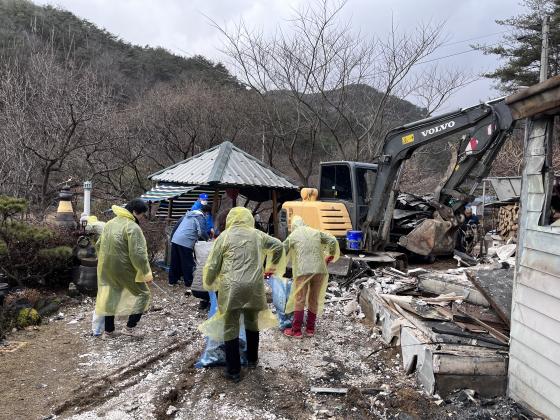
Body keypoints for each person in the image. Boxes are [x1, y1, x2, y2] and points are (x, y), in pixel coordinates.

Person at [199, 207, 286, 382]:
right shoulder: (257, 235)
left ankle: (233, 371)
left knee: (230, 326)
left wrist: (209, 281)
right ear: (249, 218)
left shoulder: (223, 237)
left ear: (230, 219)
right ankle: (252, 360)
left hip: (231, 288)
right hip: (254, 287)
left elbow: (213, 265)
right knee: (252, 323)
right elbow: (278, 246)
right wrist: (271, 267)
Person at [95, 199, 153, 339]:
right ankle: (130, 328)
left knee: (111, 296)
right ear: (134, 212)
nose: (142, 218)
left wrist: (105, 260)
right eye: (141, 214)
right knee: (143, 294)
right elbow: (138, 254)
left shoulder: (110, 223)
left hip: (106, 268)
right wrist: (146, 273)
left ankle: (108, 332)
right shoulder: (132, 227)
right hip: (124, 269)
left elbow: (98, 244)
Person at [282, 216, 340, 338]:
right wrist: (330, 256)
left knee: (300, 299)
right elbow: (333, 240)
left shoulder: (293, 235)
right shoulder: (315, 232)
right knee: (314, 299)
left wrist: (274, 268)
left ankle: (296, 331)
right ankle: (310, 330)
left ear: (293, 226)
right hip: (319, 270)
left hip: (303, 271)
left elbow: (282, 250)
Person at [168, 204, 211, 289]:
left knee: (175, 262)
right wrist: (208, 240)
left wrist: (172, 239)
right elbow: (201, 232)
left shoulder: (188, 214)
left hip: (175, 240)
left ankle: (172, 281)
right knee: (187, 263)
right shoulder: (200, 217)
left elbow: (176, 226)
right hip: (186, 242)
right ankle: (189, 283)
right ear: (206, 213)